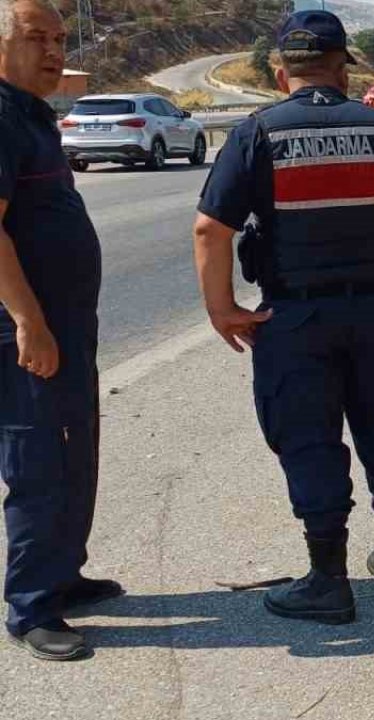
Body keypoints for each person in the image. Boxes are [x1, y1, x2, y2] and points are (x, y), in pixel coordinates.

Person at [192, 9, 374, 625]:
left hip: (295, 318)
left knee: (309, 439)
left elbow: (210, 229)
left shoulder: (256, 133)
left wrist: (223, 310)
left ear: (282, 75)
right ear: (343, 71)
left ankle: (329, 580)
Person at [0, 0, 122, 661]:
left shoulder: (33, 114)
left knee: (74, 453)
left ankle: (62, 575)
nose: (52, 51)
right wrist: (29, 321)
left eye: (58, 38)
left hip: (66, 327)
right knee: (40, 464)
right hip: (28, 331)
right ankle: (32, 608)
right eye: (35, 38)